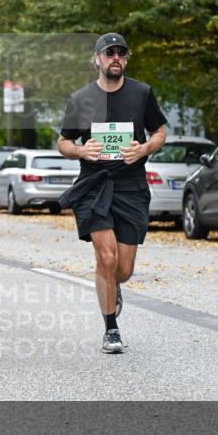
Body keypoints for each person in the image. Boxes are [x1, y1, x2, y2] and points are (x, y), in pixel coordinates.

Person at [56, 33, 167, 354]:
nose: (115, 57)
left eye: (120, 52)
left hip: (131, 185)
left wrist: (144, 148)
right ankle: (111, 329)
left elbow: (160, 132)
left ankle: (114, 285)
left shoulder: (142, 93)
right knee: (106, 257)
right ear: (97, 59)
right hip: (95, 183)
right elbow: (63, 143)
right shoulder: (80, 99)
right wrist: (81, 151)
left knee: (123, 269)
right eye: (109, 53)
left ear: (126, 59)